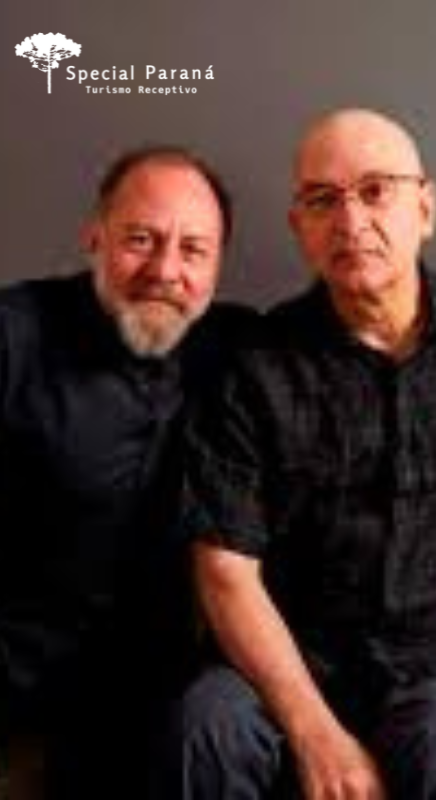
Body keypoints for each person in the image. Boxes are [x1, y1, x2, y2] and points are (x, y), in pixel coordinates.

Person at [177, 107, 436, 800]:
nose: (350, 219)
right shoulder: (254, 365)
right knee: (206, 723)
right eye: (322, 199)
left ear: (426, 208)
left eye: (375, 190)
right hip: (287, 659)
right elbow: (223, 568)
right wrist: (315, 734)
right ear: (299, 226)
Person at [0, 146, 254, 800]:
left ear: (218, 265)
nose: (166, 270)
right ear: (95, 237)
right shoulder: (13, 335)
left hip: (155, 711)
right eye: (141, 240)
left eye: (194, 250)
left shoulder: (239, 350)